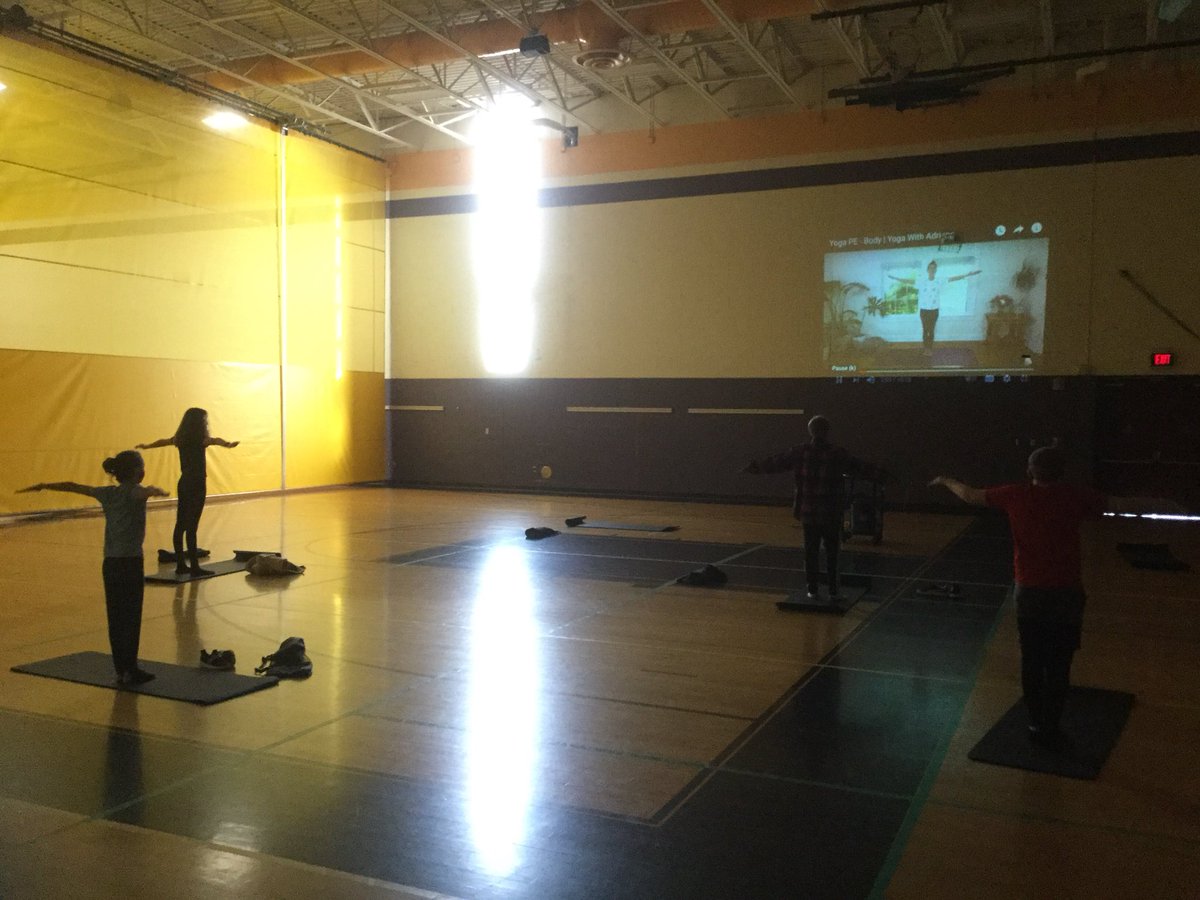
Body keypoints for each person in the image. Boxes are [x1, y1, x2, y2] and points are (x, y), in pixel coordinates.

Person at [929, 446, 1122, 749]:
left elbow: (969, 495)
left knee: (1032, 659)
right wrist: (1169, 505)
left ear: (1030, 470)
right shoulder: (1075, 496)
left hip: (1030, 590)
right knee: (1060, 662)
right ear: (1061, 472)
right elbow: (1121, 504)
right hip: (1066, 591)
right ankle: (1052, 724)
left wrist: (945, 480)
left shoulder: (1014, 494)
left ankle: (1035, 722)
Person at [18, 451, 168, 685]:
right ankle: (131, 668)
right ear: (137, 472)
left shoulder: (107, 493)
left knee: (115, 618)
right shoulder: (134, 491)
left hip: (110, 563)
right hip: (130, 563)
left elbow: (74, 486)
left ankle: (122, 670)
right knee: (130, 618)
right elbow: (141, 492)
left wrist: (45, 485)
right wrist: (154, 491)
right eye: (142, 468)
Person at [743, 416, 878, 601]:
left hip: (808, 512)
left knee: (810, 553)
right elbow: (861, 468)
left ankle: (812, 590)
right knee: (832, 554)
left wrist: (756, 467)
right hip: (831, 513)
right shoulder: (837, 453)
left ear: (810, 431)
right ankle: (834, 591)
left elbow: (776, 462)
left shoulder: (800, 452)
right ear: (827, 431)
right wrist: (883, 475)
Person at [137, 408, 238, 577]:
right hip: (197, 484)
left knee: (180, 524)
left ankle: (181, 565)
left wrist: (147, 446)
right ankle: (195, 567)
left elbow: (162, 442)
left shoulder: (180, 439)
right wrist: (227, 444)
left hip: (184, 483)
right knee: (192, 527)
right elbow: (216, 440)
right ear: (199, 423)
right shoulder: (201, 439)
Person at [889, 260, 982, 357]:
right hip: (924, 310)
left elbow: (953, 278)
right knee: (925, 330)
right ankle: (926, 349)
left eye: (934, 268)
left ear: (936, 270)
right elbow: (908, 281)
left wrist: (967, 274)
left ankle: (930, 349)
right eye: (930, 268)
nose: (932, 269)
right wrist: (896, 278)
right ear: (927, 270)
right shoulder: (921, 281)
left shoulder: (939, 280)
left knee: (931, 330)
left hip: (934, 310)